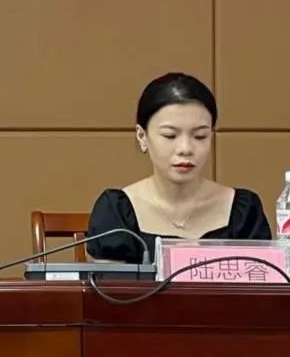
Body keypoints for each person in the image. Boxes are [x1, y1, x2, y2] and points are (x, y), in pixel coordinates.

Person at [87, 73, 271, 263]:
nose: (185, 149)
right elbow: (111, 282)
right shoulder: (116, 211)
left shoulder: (244, 211)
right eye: (170, 136)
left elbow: (261, 278)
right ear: (142, 136)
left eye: (200, 136)